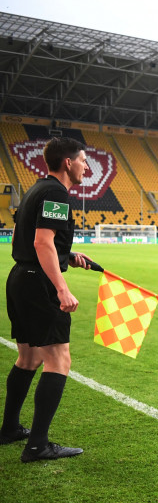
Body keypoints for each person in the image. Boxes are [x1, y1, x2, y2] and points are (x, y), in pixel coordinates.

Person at [2, 138, 95, 462]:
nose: (87, 167)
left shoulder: (35, 190)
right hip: (38, 283)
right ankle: (38, 445)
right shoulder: (57, 193)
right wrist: (61, 288)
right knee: (59, 359)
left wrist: (66, 255)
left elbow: (22, 237)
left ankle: (10, 429)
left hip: (19, 278)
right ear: (68, 163)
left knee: (28, 358)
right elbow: (42, 243)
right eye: (83, 160)